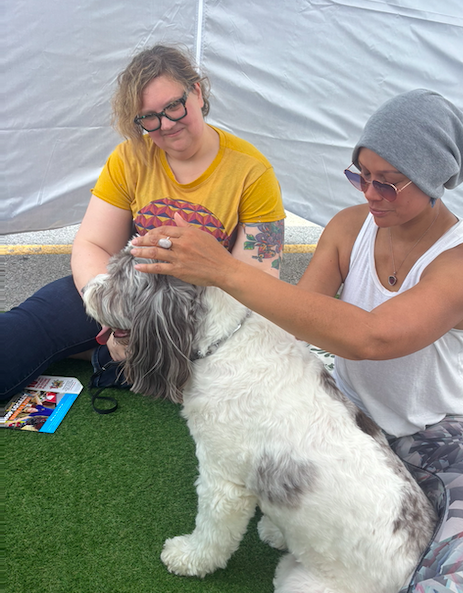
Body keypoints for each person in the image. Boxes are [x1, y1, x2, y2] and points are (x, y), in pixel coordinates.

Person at [129, 89, 463, 593]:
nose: (369, 194)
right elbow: (296, 319)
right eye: (361, 175)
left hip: (438, 432)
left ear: (437, 179)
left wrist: (227, 270)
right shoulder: (349, 227)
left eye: (390, 183)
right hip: (347, 415)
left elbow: (371, 336)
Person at [1, 44, 285, 399]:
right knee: (17, 336)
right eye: (149, 118)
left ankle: (116, 359)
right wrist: (112, 316)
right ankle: (110, 354)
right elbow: (93, 245)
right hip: (127, 295)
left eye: (173, 107)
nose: (165, 125)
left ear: (197, 91)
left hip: (199, 317)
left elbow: (258, 285)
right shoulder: (130, 156)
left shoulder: (253, 172)